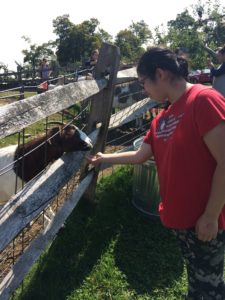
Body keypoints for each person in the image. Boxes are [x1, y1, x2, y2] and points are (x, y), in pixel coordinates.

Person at [86, 47, 225, 299]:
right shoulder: (162, 118)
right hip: (182, 221)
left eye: (143, 82)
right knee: (200, 277)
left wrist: (211, 215)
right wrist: (104, 158)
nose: (144, 90)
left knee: (207, 286)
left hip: (203, 220)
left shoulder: (204, 100)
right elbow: (141, 155)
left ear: (159, 74)